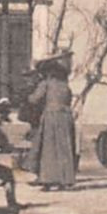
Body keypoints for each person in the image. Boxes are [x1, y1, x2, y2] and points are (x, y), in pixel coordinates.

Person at [28, 57, 77, 191]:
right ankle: (65, 180)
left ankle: (47, 180)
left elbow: (34, 99)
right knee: (64, 149)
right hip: (66, 118)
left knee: (48, 149)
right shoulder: (65, 85)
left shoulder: (46, 84)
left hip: (51, 116)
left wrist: (28, 95)